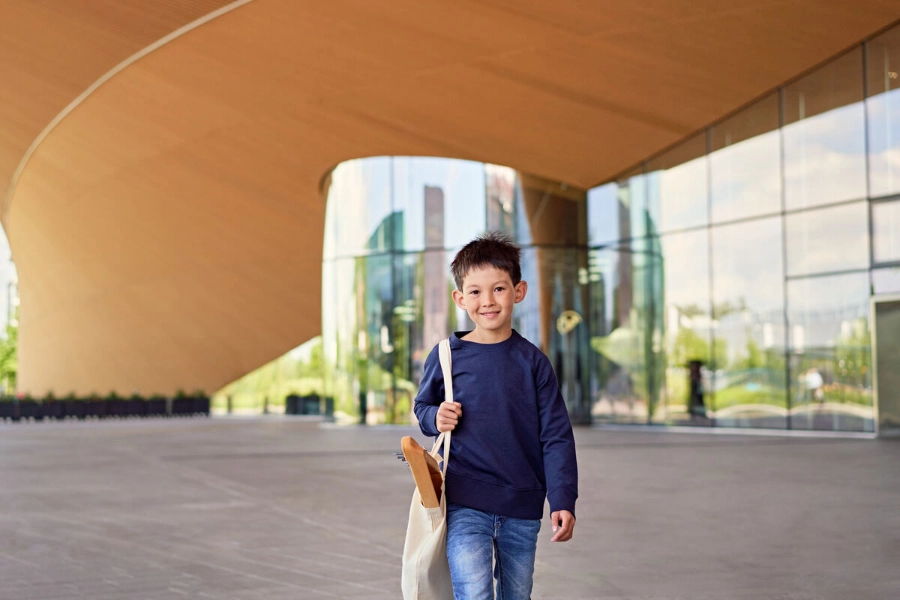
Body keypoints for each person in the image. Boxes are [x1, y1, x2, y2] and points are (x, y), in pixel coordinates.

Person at [413, 231, 578, 599]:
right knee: (474, 593)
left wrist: (563, 498)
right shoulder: (446, 356)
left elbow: (556, 435)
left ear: (519, 291)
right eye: (475, 291)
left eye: (499, 289)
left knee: (516, 595)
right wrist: (435, 417)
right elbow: (422, 407)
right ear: (460, 298)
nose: (487, 301)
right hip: (463, 500)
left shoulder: (533, 362)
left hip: (522, 505)